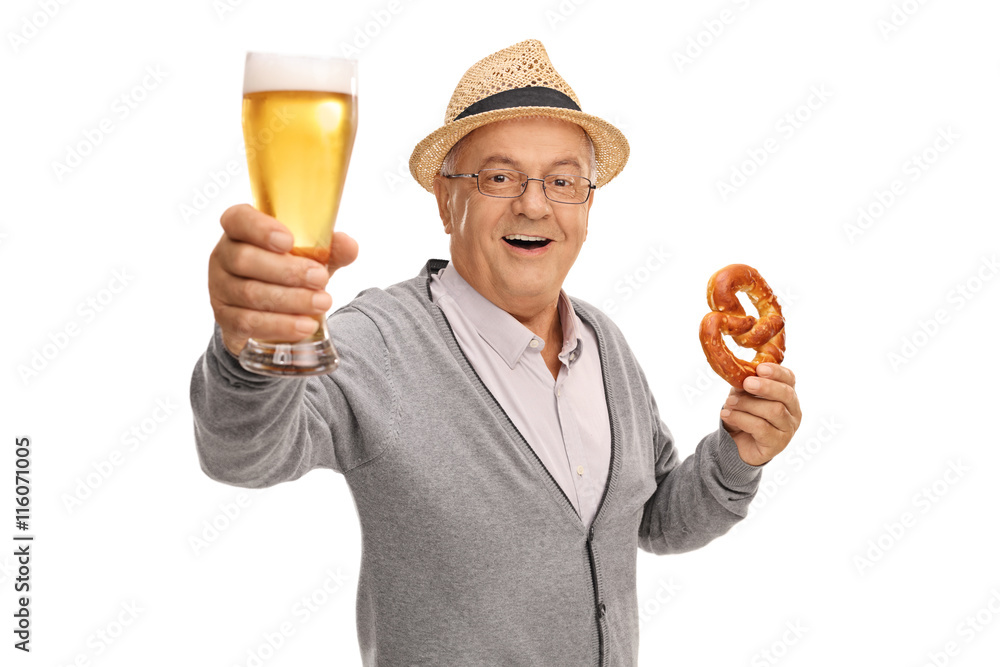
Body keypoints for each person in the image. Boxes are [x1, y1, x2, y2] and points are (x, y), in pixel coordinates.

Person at [191, 39, 801, 666]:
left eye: (563, 181)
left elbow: (653, 520)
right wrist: (248, 347)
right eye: (499, 177)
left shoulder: (605, 345)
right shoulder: (379, 341)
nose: (534, 204)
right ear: (443, 199)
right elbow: (243, 454)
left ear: (587, 207)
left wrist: (737, 457)